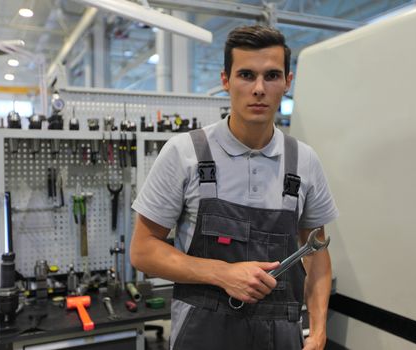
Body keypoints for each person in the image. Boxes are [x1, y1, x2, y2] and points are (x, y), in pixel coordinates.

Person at [130, 24, 338, 350]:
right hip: (202, 337)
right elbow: (143, 250)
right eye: (246, 75)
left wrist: (319, 330)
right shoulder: (184, 153)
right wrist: (221, 273)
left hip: (281, 336)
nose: (259, 88)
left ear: (287, 82)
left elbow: (317, 255)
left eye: (271, 76)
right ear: (226, 80)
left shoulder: (305, 162)